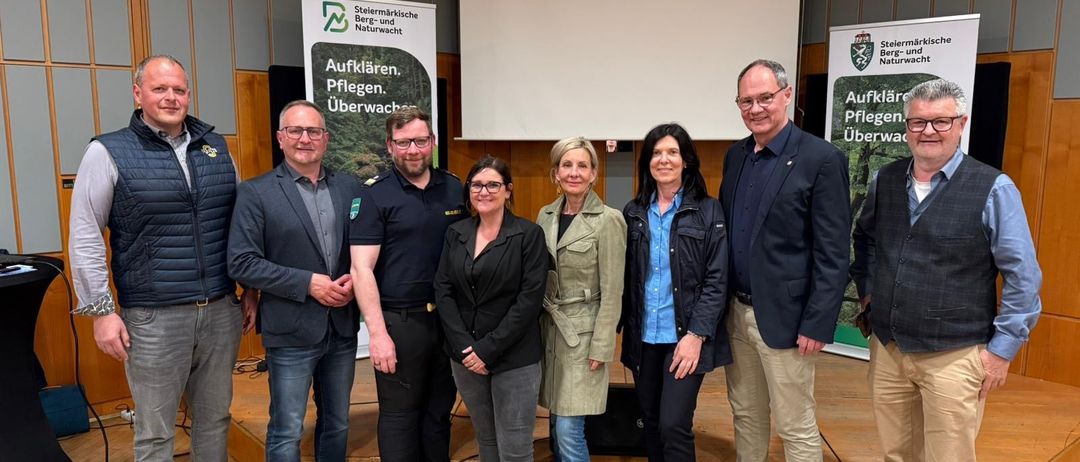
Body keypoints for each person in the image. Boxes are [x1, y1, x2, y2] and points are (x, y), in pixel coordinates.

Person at [68, 54, 256, 461]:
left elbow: (240, 223)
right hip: (153, 319)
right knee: (155, 435)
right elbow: (85, 235)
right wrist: (101, 311)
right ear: (138, 94)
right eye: (159, 89)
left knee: (215, 420)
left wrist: (251, 289)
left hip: (222, 310)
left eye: (179, 89)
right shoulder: (107, 151)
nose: (171, 97)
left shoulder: (216, 147)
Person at [851, 78, 1042, 461]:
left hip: (955, 355)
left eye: (941, 121)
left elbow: (1023, 276)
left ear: (961, 123)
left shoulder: (994, 188)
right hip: (889, 350)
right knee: (896, 454)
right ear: (907, 128)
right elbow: (866, 239)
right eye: (918, 122)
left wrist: (1001, 352)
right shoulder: (885, 180)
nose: (929, 132)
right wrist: (870, 293)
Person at [719, 58, 850, 462]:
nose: (755, 109)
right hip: (736, 314)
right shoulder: (736, 156)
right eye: (746, 101)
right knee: (746, 413)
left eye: (765, 98)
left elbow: (834, 252)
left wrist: (817, 321)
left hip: (788, 320)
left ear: (787, 96)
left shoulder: (821, 159)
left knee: (795, 423)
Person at [228, 100, 363, 461]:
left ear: (326, 138)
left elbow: (364, 248)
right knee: (287, 428)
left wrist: (357, 280)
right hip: (290, 330)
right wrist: (308, 283)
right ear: (280, 138)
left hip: (342, 327)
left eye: (314, 131)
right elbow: (241, 261)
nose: (305, 138)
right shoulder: (256, 193)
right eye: (295, 131)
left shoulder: (351, 188)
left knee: (337, 422)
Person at [349, 106, 467, 461]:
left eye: (419, 140)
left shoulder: (455, 188)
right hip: (400, 323)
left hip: (447, 322)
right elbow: (361, 269)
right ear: (389, 146)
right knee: (400, 416)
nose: (412, 150)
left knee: (438, 414)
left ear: (431, 142)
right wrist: (378, 334)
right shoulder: (373, 194)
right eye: (403, 142)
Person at [621, 123, 730, 461]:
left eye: (672, 152)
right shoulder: (634, 212)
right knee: (651, 421)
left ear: (687, 161)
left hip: (684, 337)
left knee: (673, 424)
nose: (663, 159)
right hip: (643, 338)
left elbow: (717, 280)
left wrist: (697, 334)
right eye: (656, 153)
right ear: (647, 162)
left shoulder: (708, 211)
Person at [434, 155, 549, 462]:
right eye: (477, 185)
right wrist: (464, 347)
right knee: (485, 440)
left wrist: (488, 349)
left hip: (514, 358)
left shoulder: (528, 235)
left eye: (493, 185)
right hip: (466, 357)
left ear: (508, 190)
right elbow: (443, 290)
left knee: (515, 448)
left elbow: (529, 300)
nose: (484, 192)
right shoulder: (456, 233)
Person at [536, 137, 626, 461]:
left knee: (569, 431)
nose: (574, 172)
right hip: (551, 332)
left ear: (593, 174)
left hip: (584, 338)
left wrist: (603, 347)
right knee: (557, 422)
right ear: (556, 173)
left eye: (582, 166)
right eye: (567, 165)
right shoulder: (545, 215)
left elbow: (614, 291)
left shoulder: (609, 220)